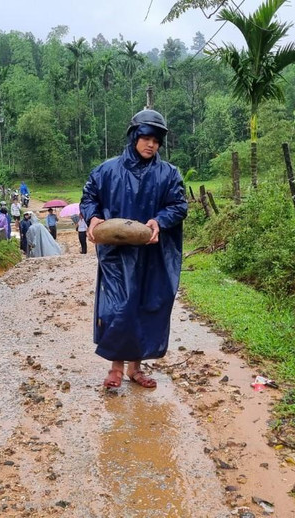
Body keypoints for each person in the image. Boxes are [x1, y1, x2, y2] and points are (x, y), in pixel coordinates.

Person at [79, 109, 187, 389]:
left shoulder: (169, 174)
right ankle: (116, 369)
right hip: (117, 254)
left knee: (148, 306)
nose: (151, 145)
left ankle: (135, 369)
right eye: (146, 138)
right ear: (134, 136)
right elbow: (89, 197)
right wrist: (93, 218)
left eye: (157, 140)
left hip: (153, 252)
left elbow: (178, 206)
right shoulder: (107, 170)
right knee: (119, 308)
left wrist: (159, 221)